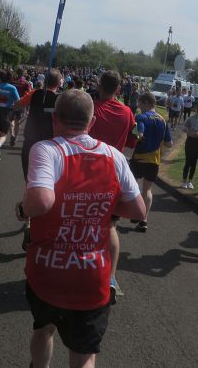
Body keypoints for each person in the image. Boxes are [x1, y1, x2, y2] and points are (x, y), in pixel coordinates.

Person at [23, 89, 146, 368]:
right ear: (91, 123)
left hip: (47, 269)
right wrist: (104, 206)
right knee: (83, 354)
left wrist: (22, 210)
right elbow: (139, 211)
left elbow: (41, 202)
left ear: (56, 119)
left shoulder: (47, 150)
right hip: (92, 275)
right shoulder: (114, 156)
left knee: (43, 328)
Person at [89, 70, 136, 304]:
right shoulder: (127, 112)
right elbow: (134, 139)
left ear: (99, 85)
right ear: (119, 89)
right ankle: (110, 278)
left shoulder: (91, 108)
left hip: (86, 172)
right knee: (109, 227)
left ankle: (79, 270)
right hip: (114, 175)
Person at [130, 92, 173, 232]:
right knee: (147, 190)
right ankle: (144, 220)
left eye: (140, 103)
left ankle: (135, 211)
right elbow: (169, 144)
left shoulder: (141, 117)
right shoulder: (163, 120)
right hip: (154, 160)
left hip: (139, 157)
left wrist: (133, 133)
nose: (138, 106)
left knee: (133, 186)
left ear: (146, 103)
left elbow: (139, 135)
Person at [181, 100, 198, 189]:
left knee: (194, 162)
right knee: (188, 161)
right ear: (197, 109)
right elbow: (183, 127)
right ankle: (184, 181)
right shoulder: (191, 118)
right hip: (190, 141)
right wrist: (190, 132)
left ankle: (190, 181)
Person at [10, 67, 32, 146]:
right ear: (23, 74)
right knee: (18, 121)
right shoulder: (26, 83)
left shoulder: (12, 81)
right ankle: (15, 137)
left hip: (12, 103)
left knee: (11, 120)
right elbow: (29, 94)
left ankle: (11, 134)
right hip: (21, 103)